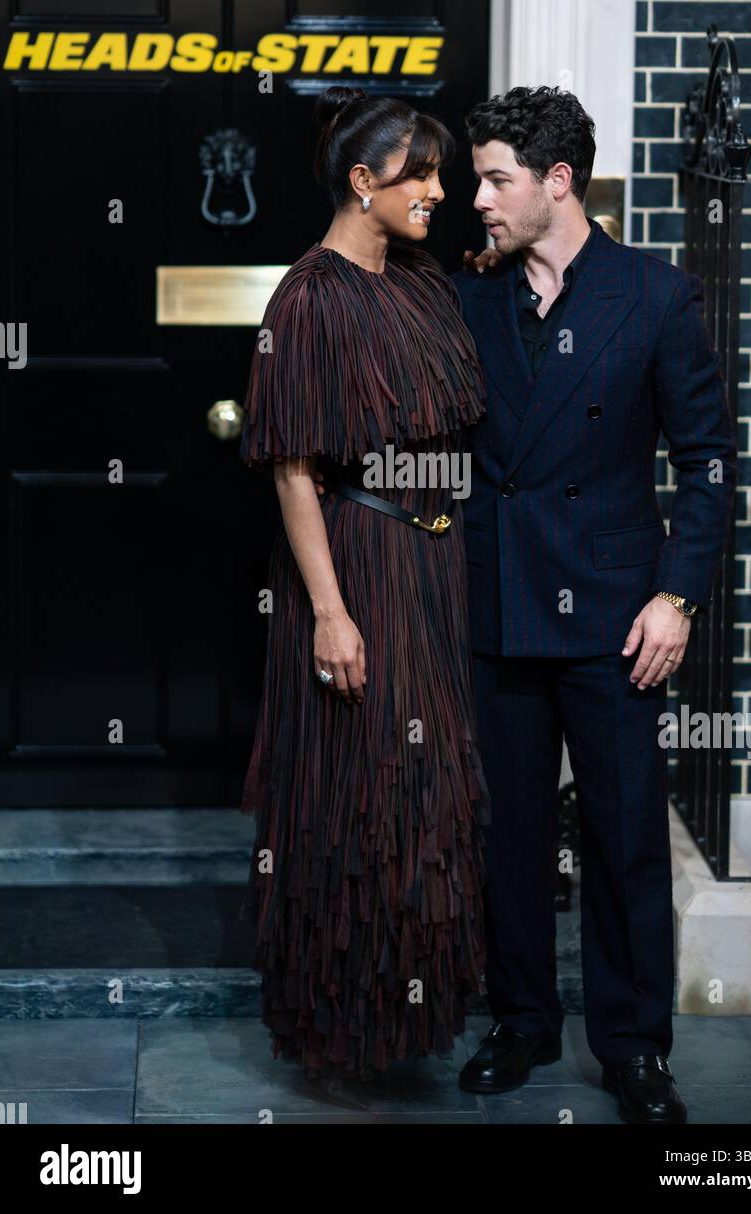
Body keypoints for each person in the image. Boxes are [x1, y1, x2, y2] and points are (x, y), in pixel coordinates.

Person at [451, 85, 737, 1124]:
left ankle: (631, 1047)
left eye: (494, 180)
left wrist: (675, 596)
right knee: (508, 834)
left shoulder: (654, 296)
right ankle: (520, 1018)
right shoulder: (470, 296)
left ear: (556, 182)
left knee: (622, 838)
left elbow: (705, 463)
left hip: (619, 614)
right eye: (476, 178)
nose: (475, 198)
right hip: (499, 605)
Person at [238, 85, 489, 1102]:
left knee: (422, 796)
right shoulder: (306, 298)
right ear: (360, 180)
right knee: (356, 795)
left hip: (432, 564)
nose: (438, 189)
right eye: (417, 174)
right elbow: (294, 468)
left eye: (439, 171)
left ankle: (406, 1014)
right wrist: (330, 612)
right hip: (358, 563)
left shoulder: (422, 280)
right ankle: (342, 1026)